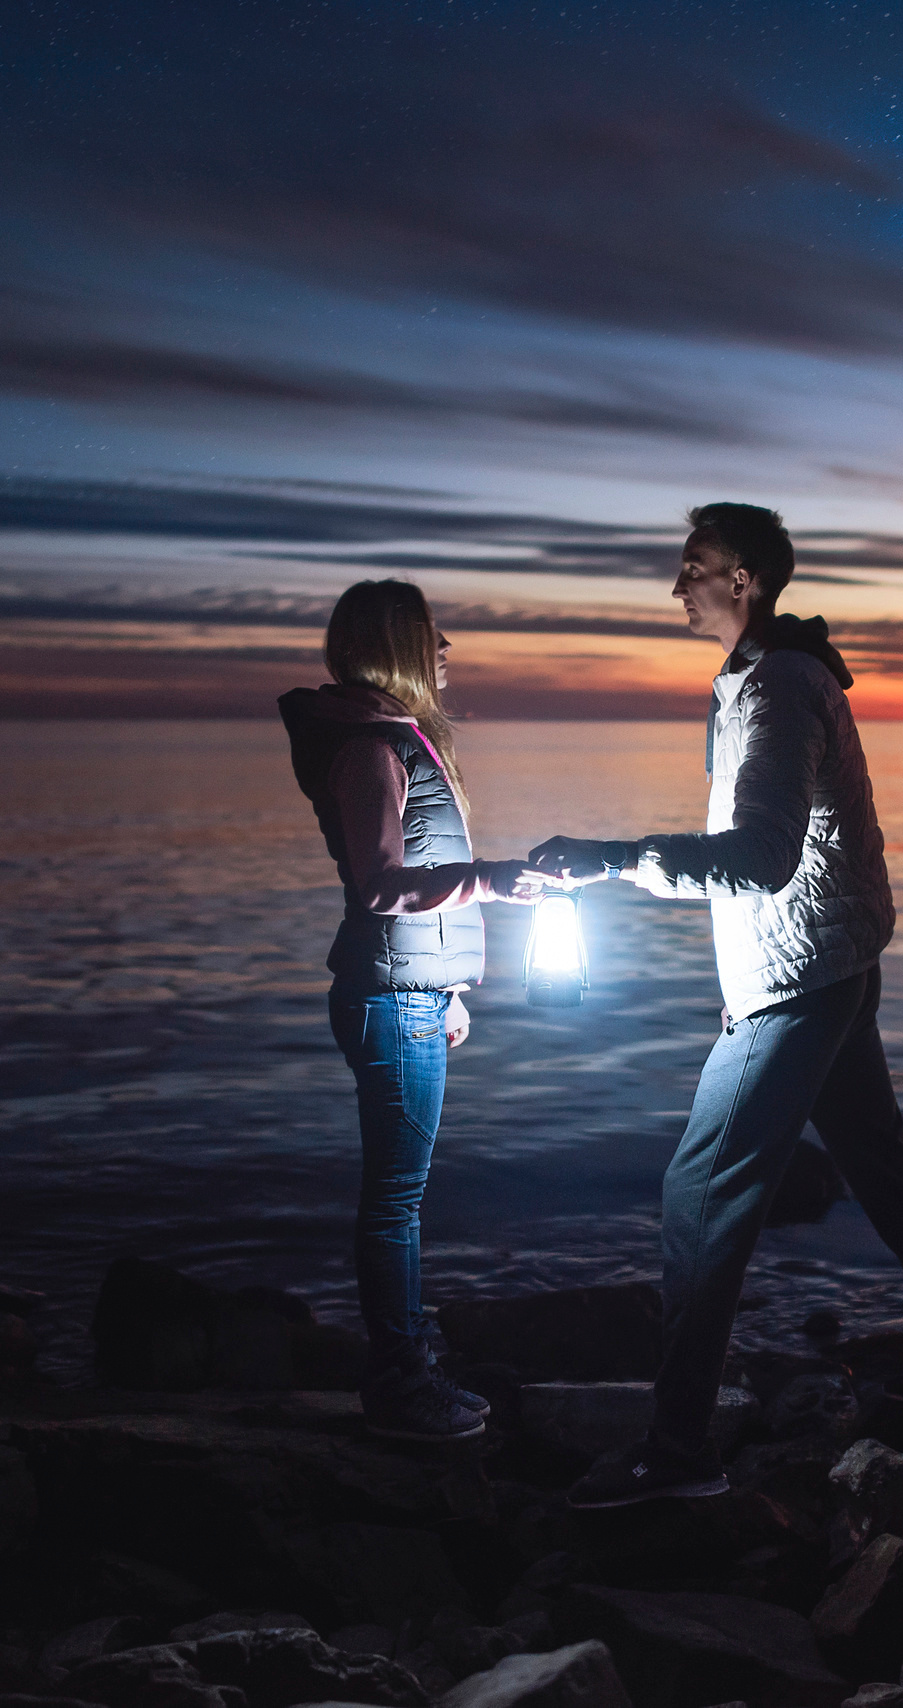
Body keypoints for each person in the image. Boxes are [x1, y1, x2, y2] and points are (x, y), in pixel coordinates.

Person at [529, 503, 903, 1507]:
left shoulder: (777, 689)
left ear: (741, 578)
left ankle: (677, 1451)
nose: (678, 584)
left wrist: (612, 859)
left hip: (796, 981)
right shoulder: (769, 677)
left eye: (693, 565)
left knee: (698, 1195)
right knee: (880, 1165)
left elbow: (760, 857)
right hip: (829, 958)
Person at [281, 579, 549, 1442]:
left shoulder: (394, 738)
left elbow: (420, 873)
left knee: (402, 1196)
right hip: (391, 999)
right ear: (395, 645)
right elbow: (384, 888)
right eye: (432, 638)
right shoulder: (368, 749)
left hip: (414, 993)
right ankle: (401, 1383)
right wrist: (496, 880)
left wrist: (453, 986)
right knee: (395, 1201)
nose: (446, 652)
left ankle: (410, 1363)